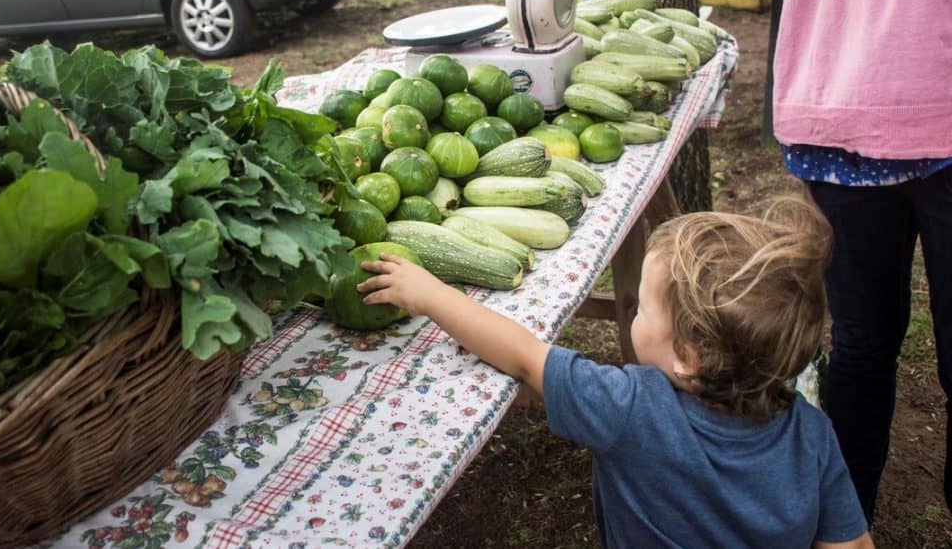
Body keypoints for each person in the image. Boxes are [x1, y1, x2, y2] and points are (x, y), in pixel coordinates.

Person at [358, 199, 873, 548]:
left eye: (643, 310)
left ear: (687, 358)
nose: (633, 317)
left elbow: (521, 355)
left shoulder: (628, 408)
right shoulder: (813, 433)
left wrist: (427, 293)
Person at [772, 0, 952, 523]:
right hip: (882, 90)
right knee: (859, 344)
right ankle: (846, 524)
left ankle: (846, 528)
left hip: (836, 87)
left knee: (860, 343)